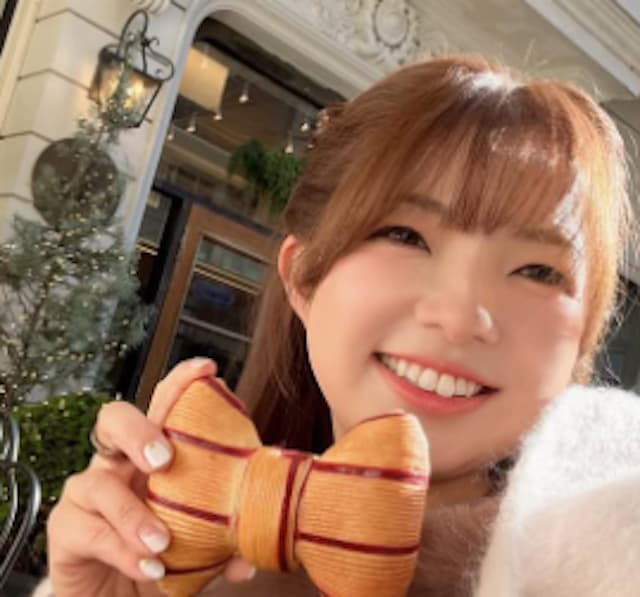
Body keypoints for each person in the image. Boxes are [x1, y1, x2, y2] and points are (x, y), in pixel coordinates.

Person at [42, 54, 633, 597]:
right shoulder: (200, 571)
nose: (460, 318)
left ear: (583, 338)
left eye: (537, 271)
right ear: (303, 278)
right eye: (405, 236)